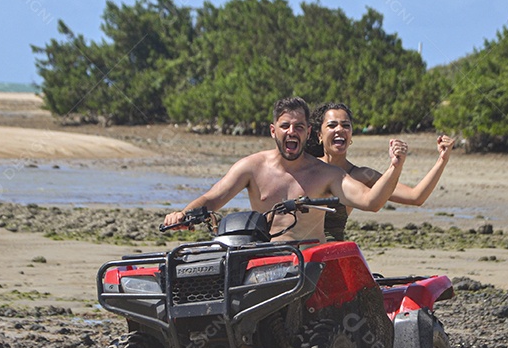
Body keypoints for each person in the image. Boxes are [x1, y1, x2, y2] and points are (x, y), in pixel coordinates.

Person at [163, 96, 410, 242]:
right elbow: (212, 198)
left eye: (299, 127)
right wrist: (183, 215)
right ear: (273, 131)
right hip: (266, 262)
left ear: (308, 133)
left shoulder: (327, 174)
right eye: (285, 126)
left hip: (311, 268)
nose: (292, 132)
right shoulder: (251, 167)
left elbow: (372, 201)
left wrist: (394, 167)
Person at [307, 102, 455, 241]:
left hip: (333, 254)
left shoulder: (363, 175)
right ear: (319, 134)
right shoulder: (305, 167)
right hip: (299, 253)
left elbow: (415, 197)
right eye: (332, 125)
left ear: (351, 134)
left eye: (346, 125)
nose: (339, 129)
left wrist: (442, 160)